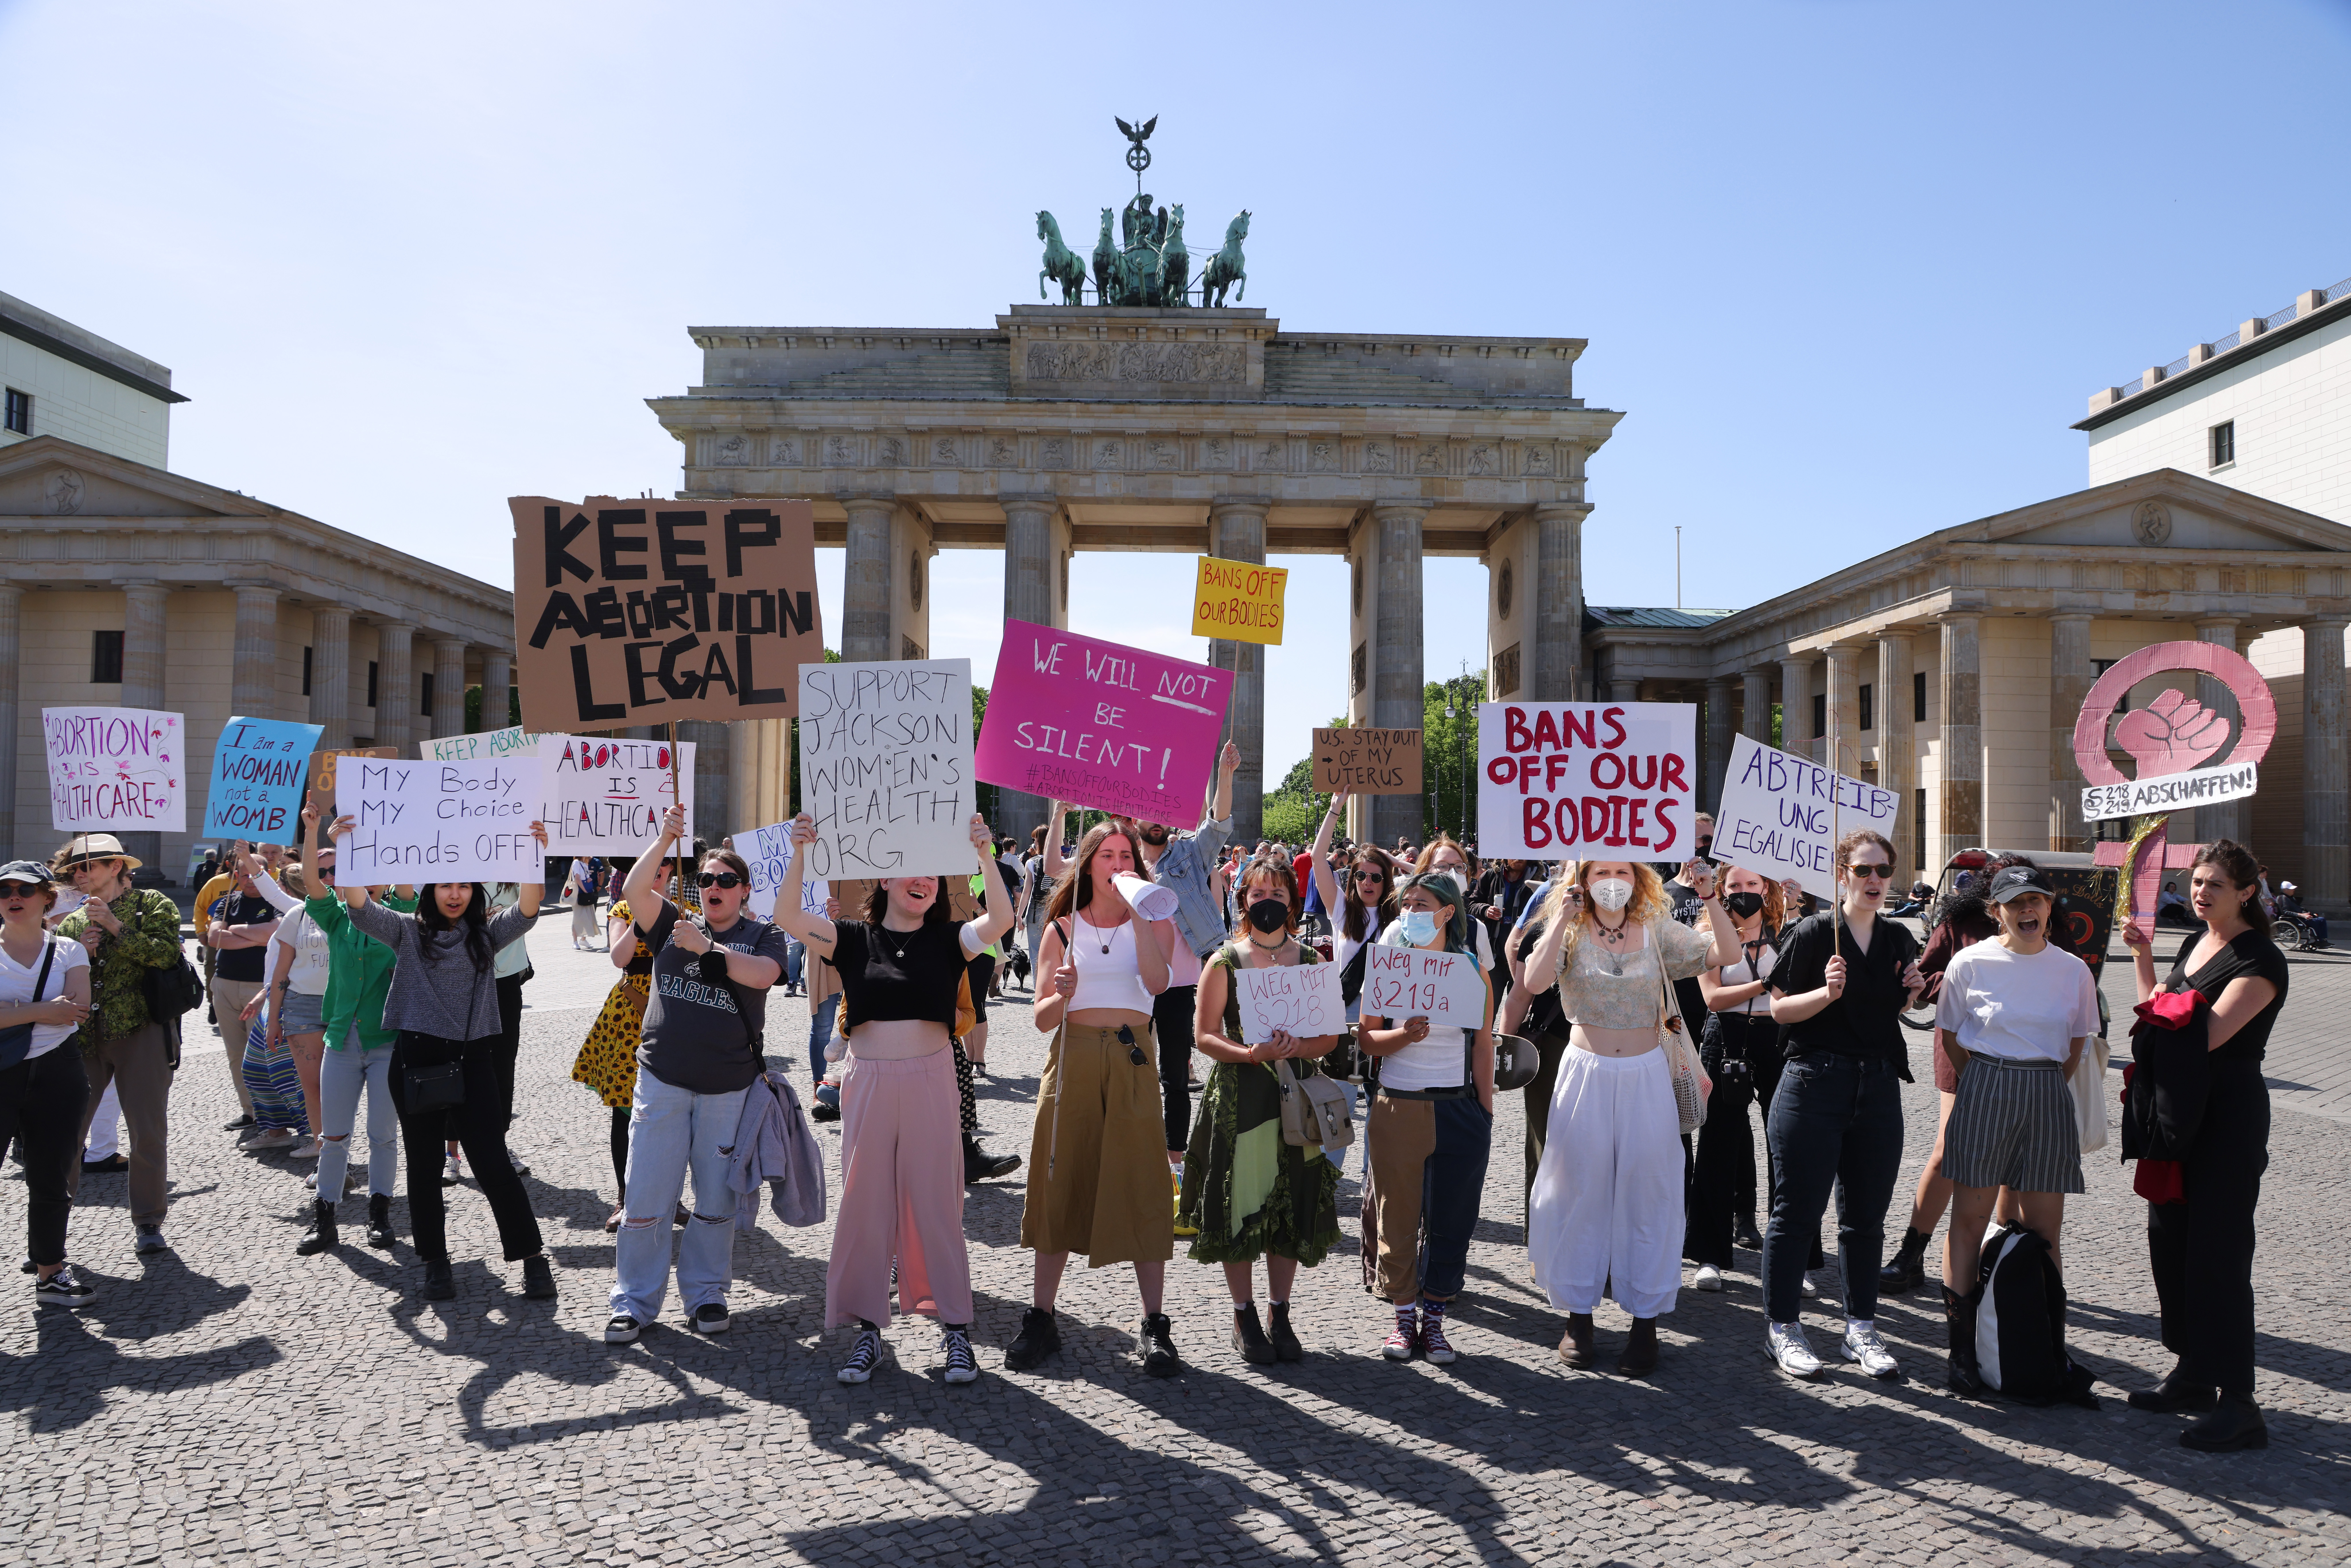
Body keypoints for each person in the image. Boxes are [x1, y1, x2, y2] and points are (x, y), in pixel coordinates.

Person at [774, 811, 1006, 1383]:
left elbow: (1001, 917)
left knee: (937, 1204)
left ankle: (955, 1330)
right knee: (865, 1205)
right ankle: (868, 1333)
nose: (921, 879)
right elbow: (785, 916)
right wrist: (801, 850)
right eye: (908, 871)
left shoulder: (952, 938)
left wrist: (982, 853)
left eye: (931, 873)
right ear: (884, 880)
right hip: (870, 1082)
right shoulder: (854, 937)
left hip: (930, 1080)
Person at [321, 814, 555, 1302]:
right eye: (446, 884)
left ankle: (532, 1257)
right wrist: (345, 845)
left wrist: (535, 854)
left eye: (465, 885)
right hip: (417, 1062)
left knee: (493, 1162)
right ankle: (435, 1262)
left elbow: (530, 908)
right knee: (424, 1165)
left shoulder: (487, 935)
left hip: (474, 1061)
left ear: (476, 890)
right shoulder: (407, 930)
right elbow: (358, 905)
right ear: (431, 888)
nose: (455, 893)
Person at [1523, 858, 1737, 1375]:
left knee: (1650, 1191)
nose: (1611, 881)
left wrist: (1710, 896)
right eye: (1600, 872)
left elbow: (1725, 954)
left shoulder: (1659, 928)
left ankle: (1645, 1321)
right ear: (1583, 878)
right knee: (1579, 1191)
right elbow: (1532, 981)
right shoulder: (1569, 931)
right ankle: (1579, 1315)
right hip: (1584, 1076)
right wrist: (1561, 917)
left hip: (1646, 1076)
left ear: (1638, 877)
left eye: (1622, 870)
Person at [2119, 839, 2286, 1452]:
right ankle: (2192, 1373)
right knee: (2170, 1239)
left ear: (2245, 891)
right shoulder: (2195, 942)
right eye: (2195, 881)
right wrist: (2144, 958)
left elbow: (2203, 1037)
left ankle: (2240, 1404)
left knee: (2218, 1254)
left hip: (2226, 1116)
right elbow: (2158, 1012)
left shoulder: (2261, 960)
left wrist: (2157, 1017)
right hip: (2176, 1110)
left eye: (2214, 884)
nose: (2200, 892)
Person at [601, 807, 790, 1342]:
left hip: (728, 1090)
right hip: (661, 1081)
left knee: (714, 1201)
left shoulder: (763, 935)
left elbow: (764, 975)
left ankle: (707, 1293)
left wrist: (709, 949)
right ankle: (634, 1301)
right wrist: (665, 837)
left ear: (745, 890)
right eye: (706, 878)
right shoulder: (672, 921)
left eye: (726, 880)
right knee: (645, 1197)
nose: (714, 886)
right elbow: (636, 889)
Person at [1009, 820, 1181, 1376]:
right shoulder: (1060, 928)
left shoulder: (1156, 920)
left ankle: (1154, 1322)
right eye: (1105, 855)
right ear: (1087, 865)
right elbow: (1040, 1019)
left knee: (1142, 1182)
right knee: (1060, 1180)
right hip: (1075, 1059)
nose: (1115, 864)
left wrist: (1138, 914)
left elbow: (1157, 984)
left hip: (1132, 1060)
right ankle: (1041, 1315)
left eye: (1124, 856)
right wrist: (1061, 993)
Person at [1760, 829, 1926, 1381]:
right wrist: (1824, 994)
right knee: (1796, 1214)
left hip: (1877, 1086)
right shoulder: (1812, 932)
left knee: (1865, 1221)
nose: (1874, 879)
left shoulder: (1900, 937)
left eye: (1882, 870)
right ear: (1842, 874)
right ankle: (1782, 1327)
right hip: (1813, 1083)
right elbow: (1779, 1011)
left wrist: (1915, 987)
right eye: (1862, 870)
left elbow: (1898, 1004)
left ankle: (1860, 1328)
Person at [1932, 863, 2098, 1392]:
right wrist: (1987, 1078)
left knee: (2046, 1231)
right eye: (2015, 901)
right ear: (1995, 911)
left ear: (2050, 906)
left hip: (2047, 1090)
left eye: (2037, 899)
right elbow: (1952, 1035)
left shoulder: (2073, 969)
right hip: (1985, 1084)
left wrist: (2038, 1081)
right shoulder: (1970, 961)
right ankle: (1960, 1351)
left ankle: (2047, 1343)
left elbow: (2076, 1044)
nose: (2028, 909)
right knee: (1969, 1220)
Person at [1180, 858, 1341, 1363]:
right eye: (1258, 891)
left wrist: (1295, 1047)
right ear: (1243, 899)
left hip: (1298, 1098)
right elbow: (1204, 1035)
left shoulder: (1313, 960)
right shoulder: (1224, 960)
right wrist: (1252, 1053)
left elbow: (1331, 1036)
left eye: (1277, 891)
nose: (1267, 900)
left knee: (1290, 1203)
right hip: (1242, 1097)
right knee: (1241, 1205)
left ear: (1292, 901)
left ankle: (1280, 1309)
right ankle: (1243, 1312)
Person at [1878, 852, 2036, 1296]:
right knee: (1950, 1149)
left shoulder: (2045, 923)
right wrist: (1958, 982)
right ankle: (1911, 1254)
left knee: (2011, 1156)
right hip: (1961, 1052)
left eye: (2028, 894)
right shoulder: (1960, 924)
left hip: (2023, 1060)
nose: (2020, 903)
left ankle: (1997, 1257)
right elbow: (1923, 978)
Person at [1357, 872, 1493, 1364]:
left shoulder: (1471, 970)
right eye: (1406, 904)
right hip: (1398, 1103)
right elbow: (1367, 1039)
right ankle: (1402, 1320)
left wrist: (1485, 1112)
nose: (1411, 912)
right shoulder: (1388, 967)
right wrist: (1403, 1037)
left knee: (1452, 1219)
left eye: (1421, 904)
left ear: (1447, 912)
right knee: (1397, 1216)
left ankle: (1434, 1322)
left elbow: (1483, 1044)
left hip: (1458, 1108)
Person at [259, 808, 408, 1253]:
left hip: (386, 1043)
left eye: (370, 875)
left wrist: (395, 835)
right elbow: (310, 879)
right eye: (350, 876)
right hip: (341, 1042)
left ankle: (379, 1216)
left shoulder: (402, 916)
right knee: (333, 1136)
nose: (359, 882)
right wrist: (311, 832)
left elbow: (404, 882)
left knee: (383, 1135)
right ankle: (325, 1220)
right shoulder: (335, 919)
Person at [55, 834, 184, 1255]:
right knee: (66, 1135)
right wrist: (84, 957)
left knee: (147, 1133)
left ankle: (149, 1221)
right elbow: (61, 981)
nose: (80, 874)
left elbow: (166, 956)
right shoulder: (72, 923)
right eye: (76, 868)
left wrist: (116, 927)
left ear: (115, 867)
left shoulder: (155, 905)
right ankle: (51, 1229)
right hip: (86, 1038)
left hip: (142, 1032)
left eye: (88, 865)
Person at [1684, 863, 1786, 1291]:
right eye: (1735, 885)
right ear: (1722, 891)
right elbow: (1712, 998)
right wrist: (1764, 983)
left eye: (1752, 884)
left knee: (1788, 1146)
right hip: (1725, 1040)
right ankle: (1709, 1255)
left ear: (1767, 888)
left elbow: (1795, 992)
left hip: (1779, 1039)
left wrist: (1770, 986)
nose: (1745, 891)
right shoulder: (1710, 934)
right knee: (1718, 1144)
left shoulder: (1789, 933)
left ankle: (1793, 1257)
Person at [0, 861, 96, 1304]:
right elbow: (58, 1012)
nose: (13, 897)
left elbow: (77, 1010)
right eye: (5, 891)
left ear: (47, 899)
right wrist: (42, 1010)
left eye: (25, 889)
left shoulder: (69, 951)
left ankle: (51, 1274)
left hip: (59, 1071)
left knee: (51, 1178)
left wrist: (13, 1011)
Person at [573, 849, 674, 1228]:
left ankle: (670, 1199)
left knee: (671, 1110)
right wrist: (640, 917)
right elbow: (619, 958)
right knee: (625, 1109)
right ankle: (625, 1198)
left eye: (666, 863)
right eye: (655, 863)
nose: (661, 869)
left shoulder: (682, 908)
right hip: (631, 1016)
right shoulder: (622, 909)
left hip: (674, 1018)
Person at [1308, 803, 1400, 1174]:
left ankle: (1374, 1184)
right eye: (1361, 875)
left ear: (1388, 881)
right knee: (1340, 1101)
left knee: (1381, 1101)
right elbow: (1318, 859)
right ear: (1353, 879)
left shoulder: (1403, 916)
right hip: (1345, 1013)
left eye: (1377, 877)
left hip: (1388, 1016)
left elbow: (1433, 878)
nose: (1368, 882)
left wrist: (1401, 864)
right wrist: (1334, 809)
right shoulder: (1342, 912)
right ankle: (1329, 1180)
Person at [203, 850, 281, 1136]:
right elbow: (214, 939)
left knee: (261, 1054)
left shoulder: (277, 904)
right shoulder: (225, 903)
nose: (249, 879)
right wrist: (254, 935)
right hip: (224, 986)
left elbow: (273, 933)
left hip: (259, 988)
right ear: (236, 875)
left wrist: (235, 931)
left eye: (254, 873)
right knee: (236, 1054)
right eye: (243, 873)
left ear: (266, 874)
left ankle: (272, 1113)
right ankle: (250, 1111)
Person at [2274, 881, 2327, 948]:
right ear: (2285, 890)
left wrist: (2311, 914)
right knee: (2315, 922)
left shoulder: (2291, 898)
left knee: (2322, 920)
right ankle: (2319, 941)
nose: (2294, 890)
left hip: (2301, 917)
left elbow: (2300, 908)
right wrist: (2300, 915)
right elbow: (2286, 912)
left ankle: (2324, 940)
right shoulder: (2282, 898)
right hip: (2293, 919)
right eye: (2292, 889)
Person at [568, 858, 604, 951]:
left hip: (587, 892)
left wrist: (589, 879)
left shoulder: (585, 863)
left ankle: (583, 940)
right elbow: (577, 878)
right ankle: (575, 942)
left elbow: (585, 876)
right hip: (579, 893)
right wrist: (585, 891)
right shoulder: (576, 862)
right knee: (578, 917)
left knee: (589, 916)